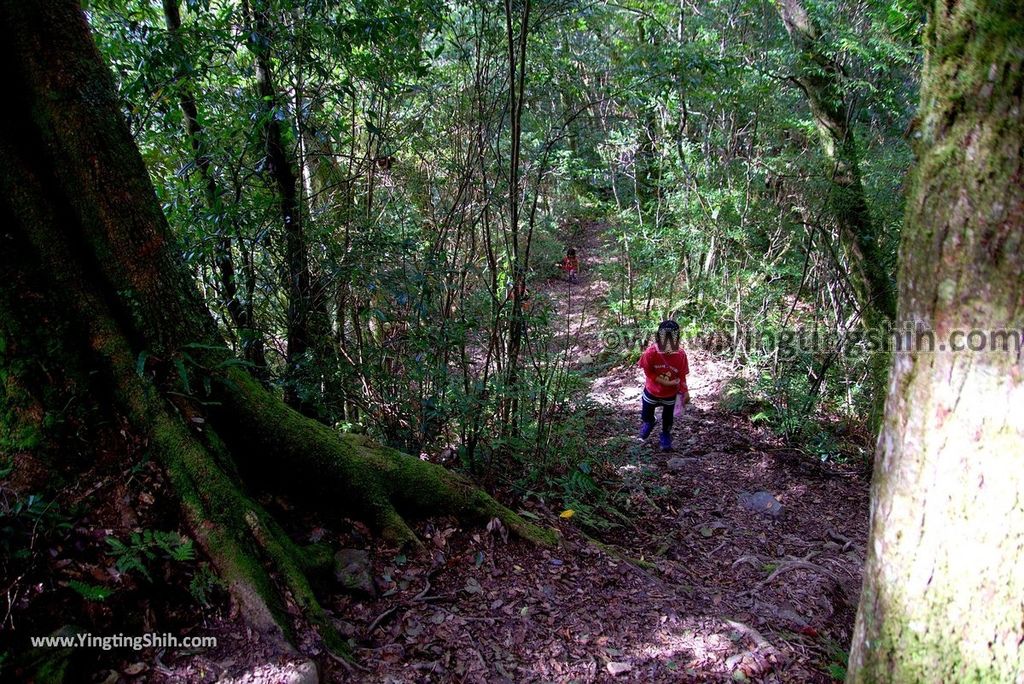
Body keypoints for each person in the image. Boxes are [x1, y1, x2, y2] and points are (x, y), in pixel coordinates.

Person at [638, 320, 690, 452]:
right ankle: (650, 422)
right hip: (652, 390)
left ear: (677, 340)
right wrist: (665, 382)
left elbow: (682, 376)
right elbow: (648, 372)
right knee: (646, 414)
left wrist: (685, 392)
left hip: (670, 393)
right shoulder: (651, 353)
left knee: (668, 417)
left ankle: (665, 434)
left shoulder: (680, 355)